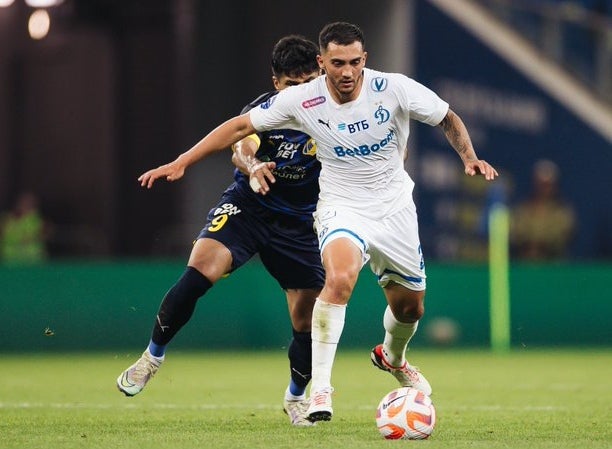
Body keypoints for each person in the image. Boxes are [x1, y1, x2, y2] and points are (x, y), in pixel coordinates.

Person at [137, 22, 499, 423]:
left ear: (365, 60)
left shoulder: (393, 88)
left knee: (410, 308)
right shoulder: (301, 100)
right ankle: (319, 392)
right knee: (339, 279)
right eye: (337, 63)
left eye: (355, 62)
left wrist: (469, 157)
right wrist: (183, 161)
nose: (346, 72)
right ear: (322, 62)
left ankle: (392, 357)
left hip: (390, 209)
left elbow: (447, 116)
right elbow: (241, 132)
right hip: (334, 207)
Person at [116, 35, 323, 427]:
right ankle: (151, 357)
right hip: (249, 206)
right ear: (277, 84)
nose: (303, 91)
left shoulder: (332, 112)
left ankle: (296, 397)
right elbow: (241, 143)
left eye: (310, 81)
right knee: (201, 267)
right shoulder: (266, 111)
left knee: (306, 320)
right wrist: (251, 166)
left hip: (300, 223)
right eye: (293, 85)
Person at [511, 159, 575, 260]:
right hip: (524, 264)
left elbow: (562, 236)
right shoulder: (522, 209)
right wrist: (530, 245)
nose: (544, 189)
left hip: (553, 265)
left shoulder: (562, 212)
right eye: (541, 184)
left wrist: (540, 244)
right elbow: (516, 233)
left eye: (548, 185)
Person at [0, 191, 48, 264]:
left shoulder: (37, 219)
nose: (26, 204)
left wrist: (34, 238)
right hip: (9, 260)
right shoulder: (6, 218)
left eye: (30, 202)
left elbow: (46, 234)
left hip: (32, 260)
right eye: (24, 201)